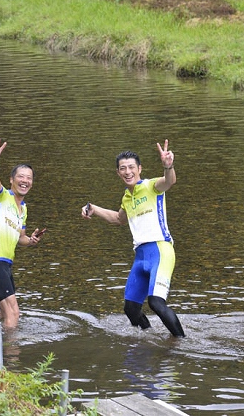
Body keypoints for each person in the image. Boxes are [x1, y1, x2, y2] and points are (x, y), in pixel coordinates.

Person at [81, 139, 185, 338]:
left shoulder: (151, 186)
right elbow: (119, 219)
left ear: (139, 168)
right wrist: (93, 208)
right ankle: (150, 337)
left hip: (160, 251)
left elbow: (169, 181)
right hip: (141, 256)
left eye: (131, 167)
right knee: (131, 309)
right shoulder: (127, 198)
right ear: (118, 173)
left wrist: (168, 166)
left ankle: (181, 343)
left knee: (155, 302)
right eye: (123, 168)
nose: (127, 172)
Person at [0, 138, 45, 329]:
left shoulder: (23, 209)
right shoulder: (1, 196)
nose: (25, 181)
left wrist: (30, 241)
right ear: (11, 179)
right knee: (13, 313)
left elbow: (20, 238)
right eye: (21, 177)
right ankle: (10, 355)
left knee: (4, 312)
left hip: (5, 264)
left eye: (29, 178)